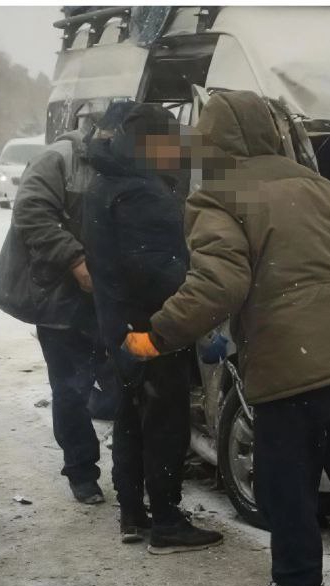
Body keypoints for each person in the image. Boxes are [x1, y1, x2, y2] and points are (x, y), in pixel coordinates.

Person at [125, 89, 330, 586]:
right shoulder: (325, 190)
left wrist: (158, 335)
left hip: (293, 367)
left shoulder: (220, 196)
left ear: (214, 139)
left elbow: (220, 283)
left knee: (284, 486)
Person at [84, 102, 222, 552]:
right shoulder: (142, 193)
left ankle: (133, 512)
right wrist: (199, 297)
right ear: (150, 145)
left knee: (131, 415)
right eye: (170, 144)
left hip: (120, 324)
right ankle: (166, 521)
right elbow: (156, 270)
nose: (177, 153)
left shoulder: (108, 179)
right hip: (153, 327)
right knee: (164, 419)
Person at [0, 108, 108, 505]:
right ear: (88, 123)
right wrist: (76, 261)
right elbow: (31, 213)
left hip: (105, 297)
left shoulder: (122, 157)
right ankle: (82, 472)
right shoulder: (58, 159)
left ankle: (132, 472)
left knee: (117, 385)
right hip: (58, 299)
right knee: (70, 388)